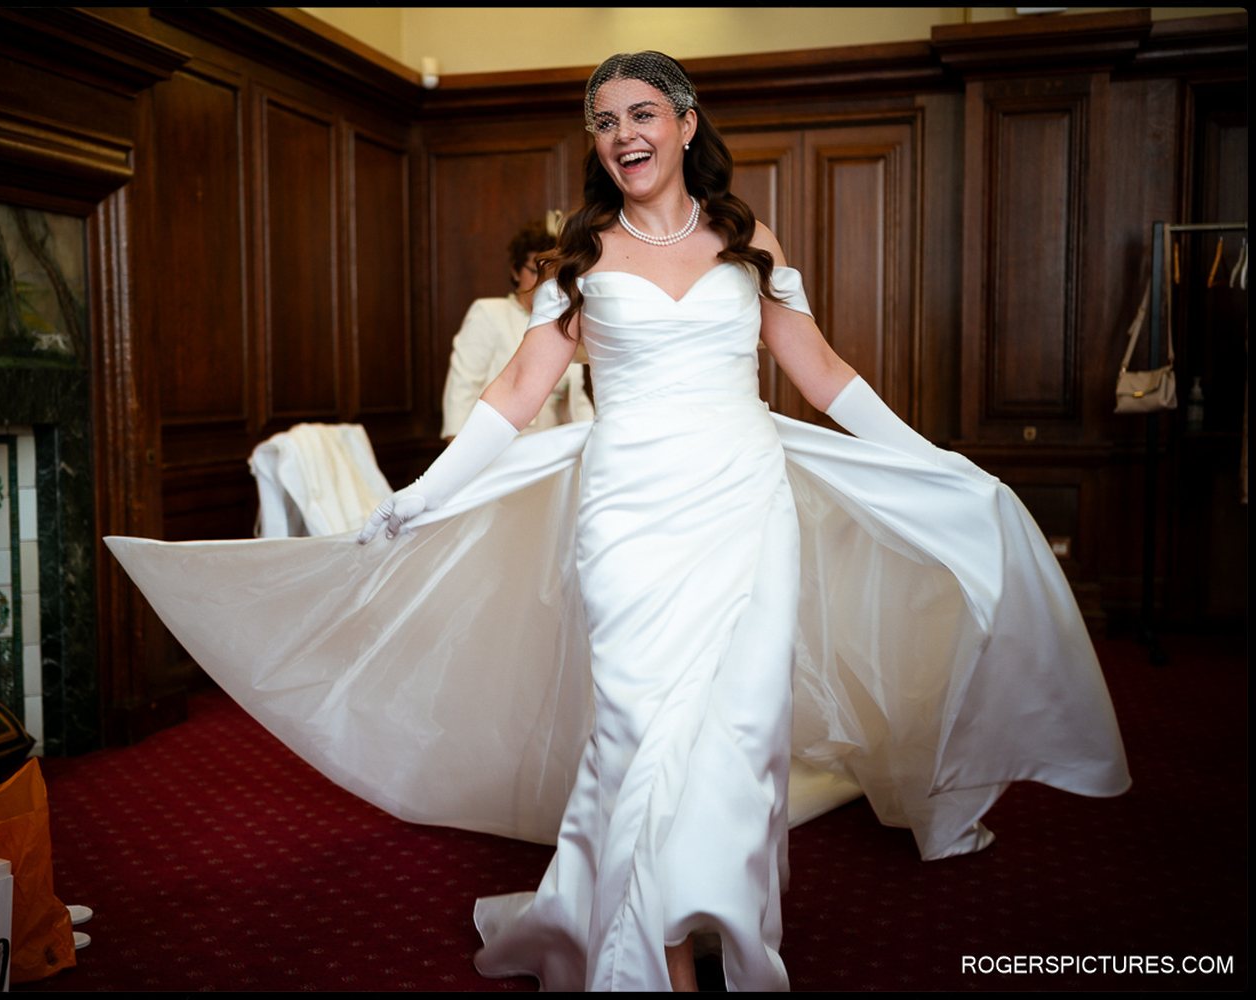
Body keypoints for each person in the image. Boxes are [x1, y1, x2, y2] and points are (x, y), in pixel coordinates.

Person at [106, 51, 1127, 995]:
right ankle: (655, 955)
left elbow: (821, 373)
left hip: (745, 505)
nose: (622, 133)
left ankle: (711, 912)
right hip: (628, 515)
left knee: (741, 730)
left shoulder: (746, 239)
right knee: (639, 729)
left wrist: (927, 456)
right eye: (603, 121)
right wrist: (423, 493)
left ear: (686, 123)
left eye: (642, 113)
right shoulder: (582, 253)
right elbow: (514, 390)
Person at [441, 218, 593, 439]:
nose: (544, 283)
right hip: (504, 452)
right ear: (515, 271)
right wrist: (457, 456)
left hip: (555, 455)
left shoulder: (565, 324)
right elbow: (462, 390)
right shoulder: (489, 313)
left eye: (553, 275)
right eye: (535, 272)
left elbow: (577, 403)